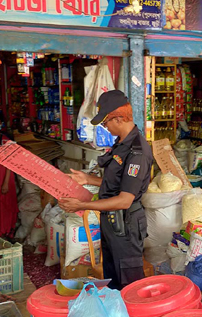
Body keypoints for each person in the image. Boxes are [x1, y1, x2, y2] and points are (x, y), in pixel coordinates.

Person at [59, 90, 153, 290]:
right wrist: (87, 179)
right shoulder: (121, 144)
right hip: (112, 222)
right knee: (112, 279)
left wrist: (83, 205)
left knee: (128, 283)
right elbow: (116, 182)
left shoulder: (137, 152)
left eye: (105, 123)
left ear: (118, 118)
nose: (105, 127)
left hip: (125, 225)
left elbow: (124, 200)